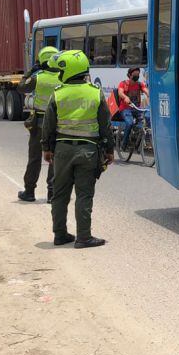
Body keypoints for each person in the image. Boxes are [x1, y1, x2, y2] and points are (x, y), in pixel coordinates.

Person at [42, 50, 114, 249]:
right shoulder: (95, 92)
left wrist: (46, 149)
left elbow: (48, 125)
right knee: (84, 194)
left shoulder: (57, 93)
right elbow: (105, 125)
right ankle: (84, 237)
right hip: (88, 151)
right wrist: (109, 150)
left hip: (62, 150)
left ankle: (59, 234)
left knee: (59, 194)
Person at [17, 47, 59, 202]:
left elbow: (21, 87)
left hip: (39, 124)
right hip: (57, 125)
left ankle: (29, 192)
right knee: (53, 158)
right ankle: (52, 193)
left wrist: (29, 72)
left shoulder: (38, 77)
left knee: (34, 158)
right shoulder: (63, 77)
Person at [116, 66, 148, 151]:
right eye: (135, 75)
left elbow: (145, 90)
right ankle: (124, 143)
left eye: (138, 74)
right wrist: (125, 97)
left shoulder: (140, 84)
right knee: (129, 123)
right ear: (130, 75)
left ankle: (137, 145)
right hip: (125, 108)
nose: (137, 76)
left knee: (143, 124)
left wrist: (150, 95)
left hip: (136, 108)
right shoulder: (123, 83)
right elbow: (120, 93)